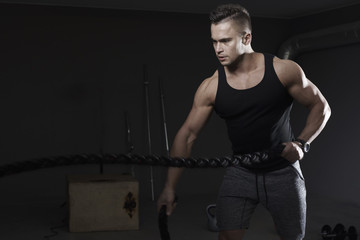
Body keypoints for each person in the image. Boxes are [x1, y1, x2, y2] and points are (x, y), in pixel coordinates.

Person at [157, 3, 331, 240]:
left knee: (292, 237)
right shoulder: (211, 87)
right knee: (227, 236)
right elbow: (187, 135)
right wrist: (169, 187)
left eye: (225, 41)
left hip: (282, 170)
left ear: (247, 37)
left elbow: (321, 106)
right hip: (241, 171)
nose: (218, 49)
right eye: (214, 41)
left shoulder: (283, 71)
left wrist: (302, 144)